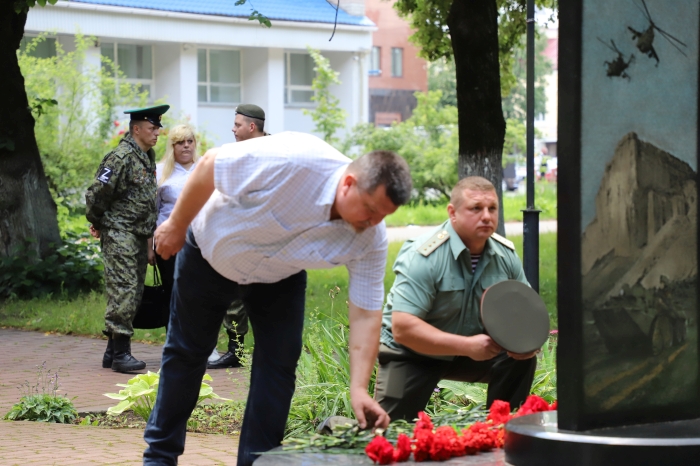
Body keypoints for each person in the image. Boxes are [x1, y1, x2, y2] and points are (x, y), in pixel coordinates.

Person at [143, 131, 412, 466]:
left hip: (280, 275)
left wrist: (358, 388)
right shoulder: (294, 160)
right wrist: (176, 225)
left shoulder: (371, 237)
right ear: (348, 184)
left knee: (279, 364)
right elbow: (210, 165)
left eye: (383, 216)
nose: (374, 223)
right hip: (211, 253)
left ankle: (258, 462)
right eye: (370, 210)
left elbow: (366, 315)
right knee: (187, 354)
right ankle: (159, 457)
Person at [374, 176, 537, 421]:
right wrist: (467, 346)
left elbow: (526, 313)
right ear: (453, 212)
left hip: (477, 351)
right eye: (475, 208)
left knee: (519, 360)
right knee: (382, 430)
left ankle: (504, 428)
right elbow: (403, 328)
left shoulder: (505, 255)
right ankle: (334, 427)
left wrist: (527, 342)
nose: (486, 216)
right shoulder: (424, 256)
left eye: (492, 208)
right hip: (411, 353)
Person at [85, 104, 170, 373]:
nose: (157, 132)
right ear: (136, 129)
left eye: (158, 127)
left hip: (136, 235)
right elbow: (96, 194)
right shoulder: (120, 157)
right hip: (120, 233)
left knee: (132, 292)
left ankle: (112, 352)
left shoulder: (147, 156)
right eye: (152, 127)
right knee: (123, 289)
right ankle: (122, 354)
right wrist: (97, 221)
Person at [208, 104, 267, 370]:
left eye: (237, 125)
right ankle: (236, 350)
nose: (232, 129)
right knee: (233, 294)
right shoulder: (233, 153)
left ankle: (271, 350)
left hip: (266, 235)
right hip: (238, 233)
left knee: (269, 296)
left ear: (251, 126)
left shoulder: (272, 152)